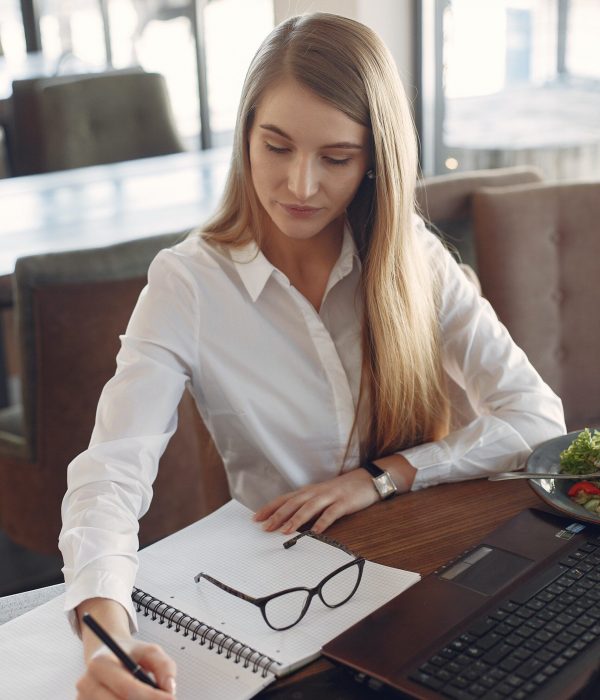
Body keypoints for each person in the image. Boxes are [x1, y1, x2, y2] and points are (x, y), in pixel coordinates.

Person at [59, 12, 565, 699]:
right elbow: (110, 477)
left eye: (335, 158)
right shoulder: (188, 283)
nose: (299, 185)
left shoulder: (409, 254)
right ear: (246, 137)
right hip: (289, 605)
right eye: (276, 146)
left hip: (427, 568)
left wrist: (386, 476)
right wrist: (104, 632)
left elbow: (537, 419)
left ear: (374, 161)